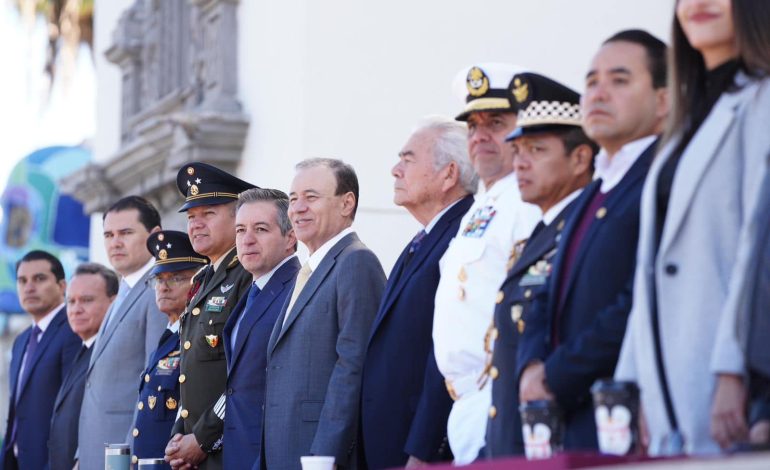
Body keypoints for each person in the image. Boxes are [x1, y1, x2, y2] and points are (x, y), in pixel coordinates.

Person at [615, 0, 770, 455]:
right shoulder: (688, 115)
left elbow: (756, 246)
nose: (699, 4)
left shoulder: (761, 100)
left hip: (727, 364)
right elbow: (652, 261)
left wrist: (734, 367)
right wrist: (635, 379)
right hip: (667, 373)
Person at [517, 29, 668, 451]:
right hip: (572, 420)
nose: (599, 94)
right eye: (592, 81)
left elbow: (639, 299)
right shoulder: (598, 187)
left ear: (664, 100)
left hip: (625, 416)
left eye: (619, 80)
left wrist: (556, 374)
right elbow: (546, 291)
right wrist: (530, 365)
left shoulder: (664, 178)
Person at [433, 63, 541, 463]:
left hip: (501, 394)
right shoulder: (485, 204)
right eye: (473, 125)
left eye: (496, 122)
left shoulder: (525, 201)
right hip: (465, 401)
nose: (480, 135)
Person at [486, 72, 596, 458]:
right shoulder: (544, 230)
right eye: (518, 152)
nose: (521, 164)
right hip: (518, 438)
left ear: (581, 157)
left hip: (561, 435)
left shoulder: (583, 229)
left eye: (537, 150)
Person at [361, 117, 476, 469]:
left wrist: (425, 448)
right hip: (392, 443)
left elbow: (448, 353)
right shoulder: (423, 239)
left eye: (408, 159)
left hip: (421, 449)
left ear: (448, 174)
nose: (396, 170)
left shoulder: (463, 236)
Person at [262, 158, 386, 470]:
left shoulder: (356, 262)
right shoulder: (308, 271)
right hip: (286, 452)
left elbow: (352, 367)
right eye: (292, 199)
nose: (297, 208)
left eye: (311, 197)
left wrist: (324, 457)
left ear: (347, 203)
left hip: (318, 456)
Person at [165, 162, 255, 470]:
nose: (196, 224)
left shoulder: (247, 274)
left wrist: (201, 438)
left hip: (226, 450)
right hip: (195, 453)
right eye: (191, 217)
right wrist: (179, 433)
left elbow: (246, 373)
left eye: (209, 214)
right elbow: (190, 370)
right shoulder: (203, 280)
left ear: (237, 217)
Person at [78, 196, 167, 469]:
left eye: (126, 233)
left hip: (123, 455)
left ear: (155, 236)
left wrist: (128, 458)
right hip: (96, 452)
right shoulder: (123, 292)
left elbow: (155, 383)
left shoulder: (159, 290)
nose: (115, 242)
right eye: (108, 235)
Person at [221, 188, 300, 469]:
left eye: (261, 229)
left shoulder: (298, 291)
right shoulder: (251, 293)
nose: (247, 240)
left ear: (291, 237)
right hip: (237, 452)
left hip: (272, 456)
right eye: (240, 230)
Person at [131, 230, 208, 466]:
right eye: (159, 279)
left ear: (200, 281)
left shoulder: (198, 336)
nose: (163, 287)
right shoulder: (168, 337)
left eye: (176, 278)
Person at [0, 251, 80, 470]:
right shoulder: (21, 340)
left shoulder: (73, 331)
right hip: (16, 460)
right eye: (22, 280)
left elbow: (72, 409)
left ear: (62, 286)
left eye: (39, 279)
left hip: (52, 462)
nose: (29, 287)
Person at [49, 263, 117, 470]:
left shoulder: (112, 353)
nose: (76, 309)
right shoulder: (84, 348)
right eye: (71, 301)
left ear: (114, 303)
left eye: (87, 300)